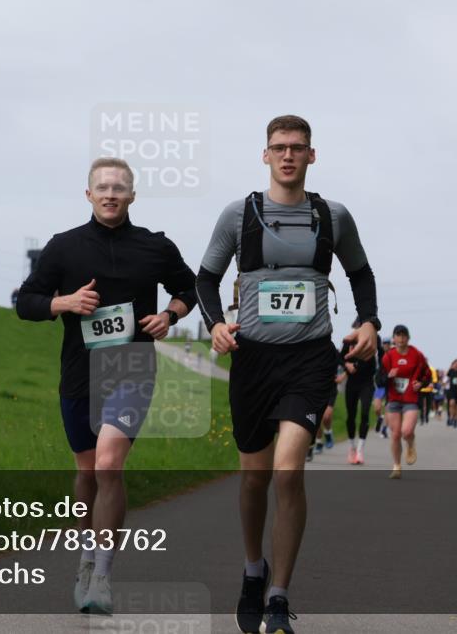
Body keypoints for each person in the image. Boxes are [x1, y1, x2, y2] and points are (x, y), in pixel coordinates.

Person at [196, 115, 380, 634]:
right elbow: (206, 279)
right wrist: (215, 325)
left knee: (288, 471)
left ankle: (278, 597)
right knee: (254, 478)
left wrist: (368, 321)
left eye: (297, 148)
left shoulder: (332, 216)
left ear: (311, 155)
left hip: (309, 359)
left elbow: (361, 273)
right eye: (279, 147)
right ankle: (253, 569)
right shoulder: (239, 215)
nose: (288, 156)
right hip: (253, 359)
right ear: (265, 155)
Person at [16, 157, 197, 615]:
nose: (111, 194)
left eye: (119, 188)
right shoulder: (64, 247)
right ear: (89, 195)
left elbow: (189, 288)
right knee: (87, 473)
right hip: (80, 373)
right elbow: (26, 302)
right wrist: (65, 302)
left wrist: (169, 315)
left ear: (132, 195)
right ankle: (85, 557)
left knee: (109, 464)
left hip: (132, 367)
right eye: (103, 187)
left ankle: (102, 574)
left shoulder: (155, 246)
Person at [377, 325, 431, 479]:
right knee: (395, 435)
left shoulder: (416, 355)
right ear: (393, 338)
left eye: (403, 335)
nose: (401, 338)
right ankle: (397, 466)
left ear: (408, 338)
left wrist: (421, 384)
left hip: (411, 398)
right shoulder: (388, 357)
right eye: (398, 335)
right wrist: (388, 376)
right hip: (394, 399)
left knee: (406, 431)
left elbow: (427, 375)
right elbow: (378, 380)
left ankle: (410, 442)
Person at [339, 321, 381, 464]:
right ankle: (351, 447)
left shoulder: (374, 339)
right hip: (352, 383)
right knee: (350, 416)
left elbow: (375, 361)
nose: (359, 329)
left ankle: (360, 449)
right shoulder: (349, 340)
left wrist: (356, 365)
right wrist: (346, 364)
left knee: (364, 413)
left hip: (367, 383)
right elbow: (340, 357)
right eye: (357, 326)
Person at [372, 338, 391, 437]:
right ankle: (380, 417)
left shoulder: (394, 354)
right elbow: (377, 342)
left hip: (390, 386)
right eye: (384, 343)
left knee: (387, 408)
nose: (386, 345)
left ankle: (384, 429)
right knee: (377, 407)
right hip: (380, 385)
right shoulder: (380, 353)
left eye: (388, 343)